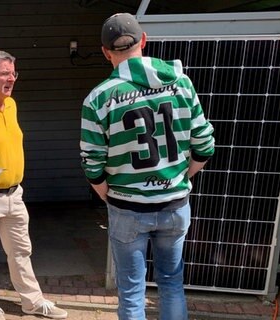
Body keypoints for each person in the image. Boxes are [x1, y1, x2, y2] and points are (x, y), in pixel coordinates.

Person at [80, 13, 215, 320]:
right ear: (143, 40)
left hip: (127, 208)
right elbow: (205, 144)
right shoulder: (182, 83)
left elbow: (92, 162)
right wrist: (182, 176)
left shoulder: (98, 99)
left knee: (131, 292)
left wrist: (108, 194)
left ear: (105, 52)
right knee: (171, 283)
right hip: (175, 204)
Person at [0, 50, 68, 320]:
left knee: (21, 252)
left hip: (15, 195)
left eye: (13, 73)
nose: (12, 79)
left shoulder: (11, 105)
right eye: (5, 73)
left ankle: (33, 302)